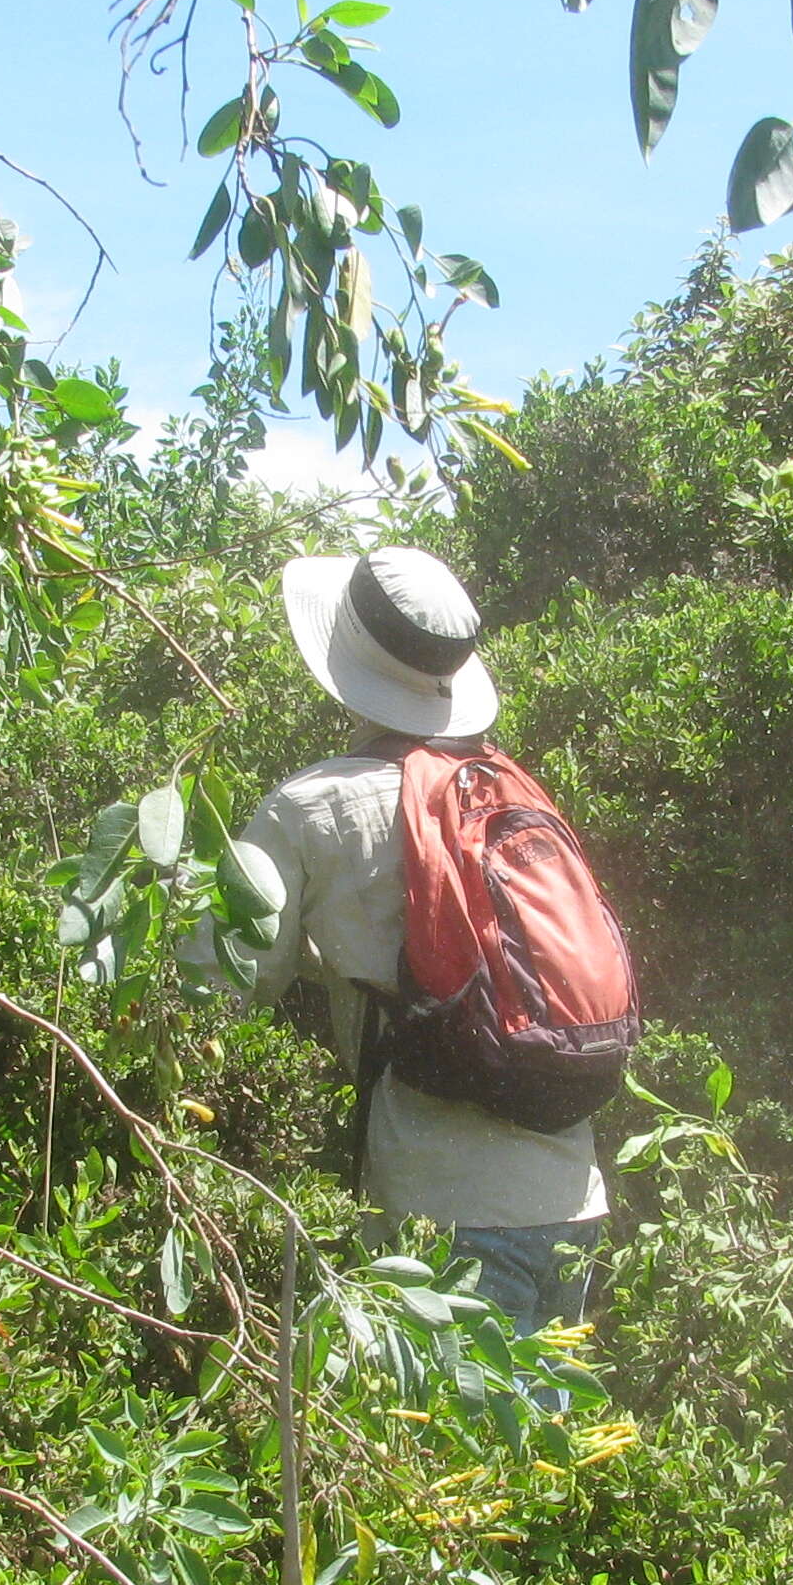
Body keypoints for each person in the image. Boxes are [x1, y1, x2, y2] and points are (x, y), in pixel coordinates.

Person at [198, 544, 624, 1332]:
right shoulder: (504, 786)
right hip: (573, 1201)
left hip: (441, 1218)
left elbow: (214, 989)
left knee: (443, 1453)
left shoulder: (308, 807)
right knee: (556, 1451)